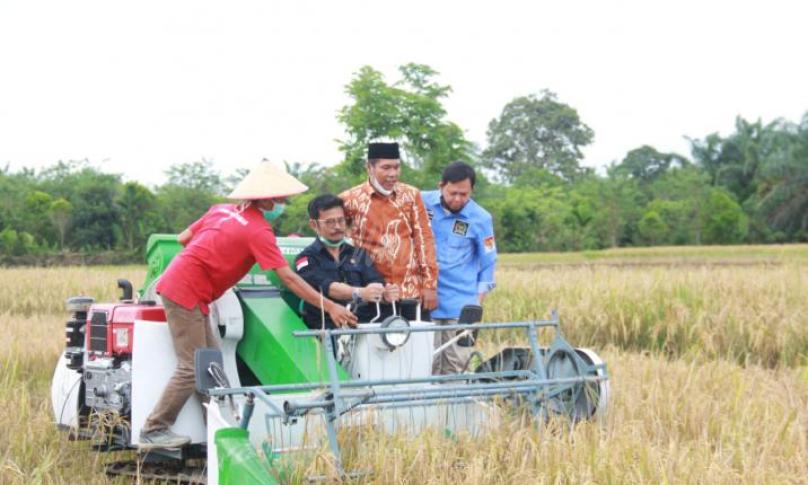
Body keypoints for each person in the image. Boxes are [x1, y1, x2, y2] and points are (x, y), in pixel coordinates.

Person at [139, 161, 357, 449]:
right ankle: (154, 429)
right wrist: (330, 307)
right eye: (280, 199)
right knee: (192, 367)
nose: (283, 203)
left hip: (187, 287)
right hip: (185, 293)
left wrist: (213, 260)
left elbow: (183, 239)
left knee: (211, 365)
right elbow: (289, 279)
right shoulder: (258, 231)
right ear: (266, 200)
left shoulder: (222, 210)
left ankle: (220, 431)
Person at [340, 142, 438, 321]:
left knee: (417, 347)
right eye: (386, 168)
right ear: (369, 167)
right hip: (372, 294)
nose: (392, 174)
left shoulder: (411, 195)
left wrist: (430, 285)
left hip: (411, 292)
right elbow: (338, 239)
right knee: (374, 348)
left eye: (396, 167)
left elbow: (424, 239)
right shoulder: (350, 199)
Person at [422, 161, 497, 375]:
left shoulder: (481, 218)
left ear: (472, 190)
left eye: (464, 194)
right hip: (427, 302)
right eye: (452, 193)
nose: (457, 199)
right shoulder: (420, 202)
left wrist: (476, 303)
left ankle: (454, 408)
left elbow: (489, 261)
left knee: (458, 366)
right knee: (427, 365)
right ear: (441, 186)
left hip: (462, 306)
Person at [295, 194, 400, 328]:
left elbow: (375, 282)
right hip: (328, 327)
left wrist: (385, 293)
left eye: (341, 220)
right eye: (330, 222)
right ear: (314, 224)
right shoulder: (306, 259)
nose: (338, 226)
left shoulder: (359, 254)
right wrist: (360, 293)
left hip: (366, 325)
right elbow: (329, 288)